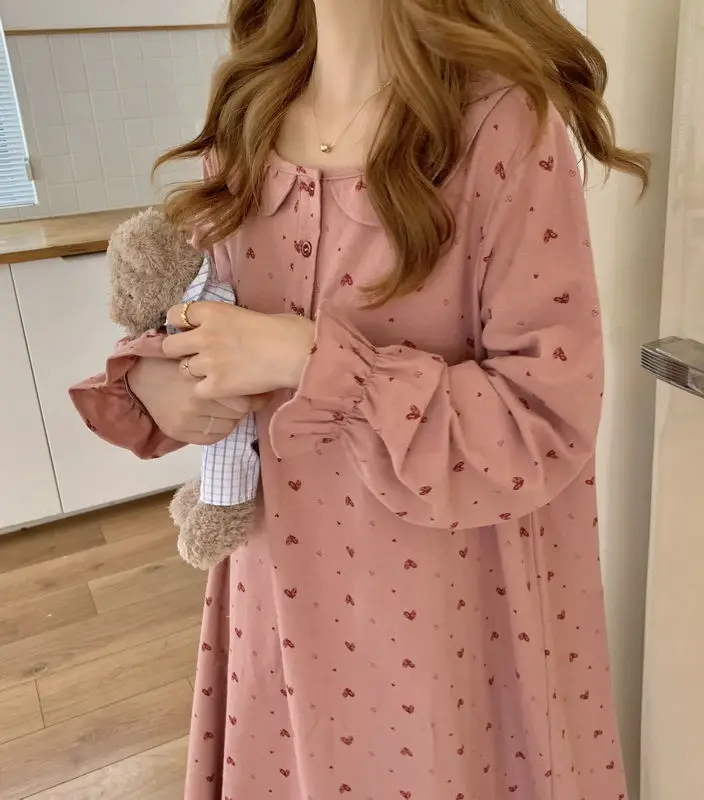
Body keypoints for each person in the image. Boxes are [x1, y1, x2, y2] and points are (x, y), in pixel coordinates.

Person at [71, 1, 648, 797]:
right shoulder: (250, 109)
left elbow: (544, 422)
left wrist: (309, 358)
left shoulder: (503, 123)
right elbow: (207, 301)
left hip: (448, 623)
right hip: (276, 595)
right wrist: (161, 375)